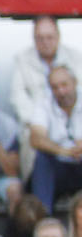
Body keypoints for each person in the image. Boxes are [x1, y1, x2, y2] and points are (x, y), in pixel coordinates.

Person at [28, 66, 82, 213]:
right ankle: (44, 219)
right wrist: (64, 151)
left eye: (64, 85)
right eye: (55, 87)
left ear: (75, 82)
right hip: (59, 167)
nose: (61, 91)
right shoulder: (43, 104)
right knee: (42, 159)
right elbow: (36, 139)